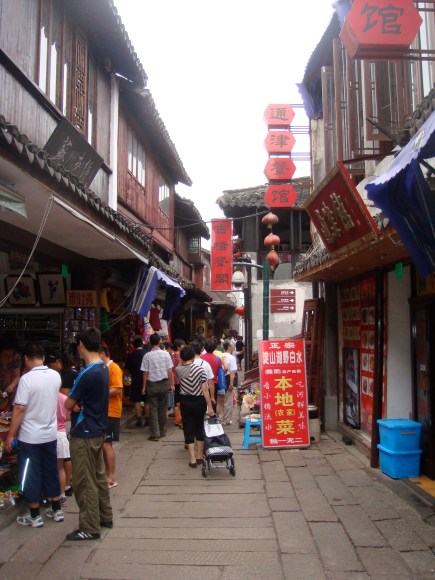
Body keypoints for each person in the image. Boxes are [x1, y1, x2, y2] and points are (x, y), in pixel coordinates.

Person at [5, 342, 63, 528]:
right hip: (50, 434)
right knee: (51, 470)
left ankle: (35, 515)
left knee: (31, 473)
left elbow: (20, 409)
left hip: (30, 436)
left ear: (26, 359)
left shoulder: (26, 379)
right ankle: (56, 509)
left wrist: (10, 435)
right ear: (43, 358)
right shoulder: (55, 376)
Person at [65, 327, 113, 541]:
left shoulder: (86, 373)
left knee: (84, 481)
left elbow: (68, 403)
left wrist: (76, 404)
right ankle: (105, 516)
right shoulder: (103, 368)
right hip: (98, 429)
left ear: (81, 345)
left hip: (84, 432)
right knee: (98, 476)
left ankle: (89, 527)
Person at [175, 345, 215, 467]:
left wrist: (181, 359)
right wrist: (210, 407)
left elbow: (180, 365)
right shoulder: (200, 370)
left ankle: (192, 459)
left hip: (185, 402)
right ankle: (199, 456)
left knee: (188, 428)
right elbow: (205, 389)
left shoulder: (179, 370)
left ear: (182, 357)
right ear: (193, 356)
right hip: (199, 401)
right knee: (199, 426)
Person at [141, 333, 174, 441]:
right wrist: (172, 384)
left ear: (150, 342)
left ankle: (155, 433)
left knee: (153, 408)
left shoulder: (147, 356)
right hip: (164, 384)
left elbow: (145, 373)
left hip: (152, 385)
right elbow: (170, 371)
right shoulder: (166, 355)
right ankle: (162, 431)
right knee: (162, 408)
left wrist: (144, 387)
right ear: (159, 342)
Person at [99, 345, 123, 489]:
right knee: (105, 444)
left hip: (111, 411)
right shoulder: (105, 368)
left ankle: (111, 477)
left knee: (106, 444)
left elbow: (117, 388)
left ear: (102, 354)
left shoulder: (113, 368)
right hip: (106, 411)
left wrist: (99, 392)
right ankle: (108, 474)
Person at [124, 337, 149, 427]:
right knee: (146, 400)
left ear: (133, 346)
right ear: (142, 344)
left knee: (136, 400)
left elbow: (126, 370)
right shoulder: (146, 354)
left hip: (135, 380)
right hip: (146, 380)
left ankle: (139, 420)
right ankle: (147, 419)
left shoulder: (131, 355)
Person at [56, 388, 71, 507]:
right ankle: (62, 495)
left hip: (48, 434)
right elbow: (68, 417)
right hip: (61, 434)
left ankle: (50, 496)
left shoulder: (47, 397)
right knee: (60, 467)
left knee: (49, 468)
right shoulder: (64, 398)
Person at [200, 339, 223, 412]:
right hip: (213, 383)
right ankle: (213, 416)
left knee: (203, 403)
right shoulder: (218, 359)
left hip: (201, 383)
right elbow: (220, 371)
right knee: (213, 401)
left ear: (204, 347)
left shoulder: (200, 357)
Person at [0, 337, 21, 409]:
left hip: (9, 391)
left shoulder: (16, 358)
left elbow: (17, 375)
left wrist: (12, 386)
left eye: (12, 352)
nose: (10, 354)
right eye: (6, 354)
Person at [221, 340, 238, 425]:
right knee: (228, 401)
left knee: (220, 400)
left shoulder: (220, 356)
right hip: (227, 379)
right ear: (228, 347)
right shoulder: (231, 358)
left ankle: (220, 418)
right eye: (232, 345)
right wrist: (231, 384)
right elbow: (232, 372)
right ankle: (226, 419)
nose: (233, 347)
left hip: (220, 379)